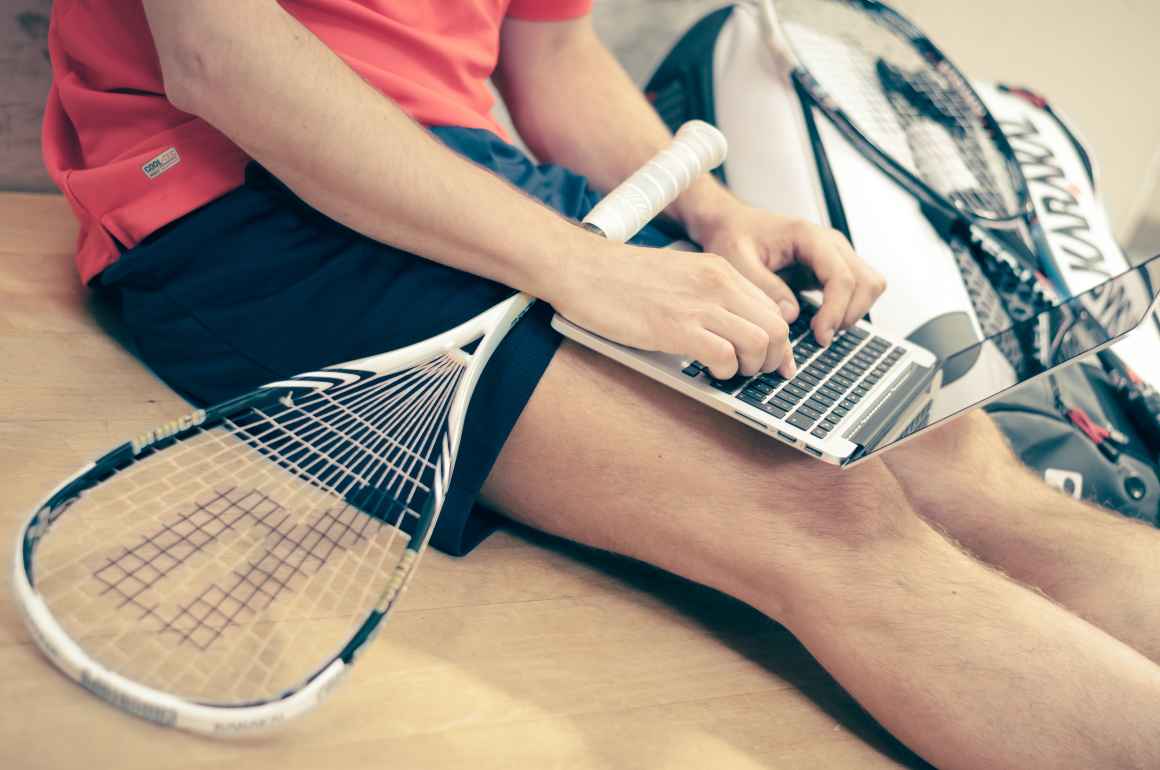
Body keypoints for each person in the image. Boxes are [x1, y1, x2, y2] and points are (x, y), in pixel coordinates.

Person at [42, 2, 1160, 767]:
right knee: (819, 504)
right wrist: (576, 264)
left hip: (462, 165)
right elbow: (217, 57)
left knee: (945, 452)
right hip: (218, 188)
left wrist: (711, 212)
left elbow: (552, 54)